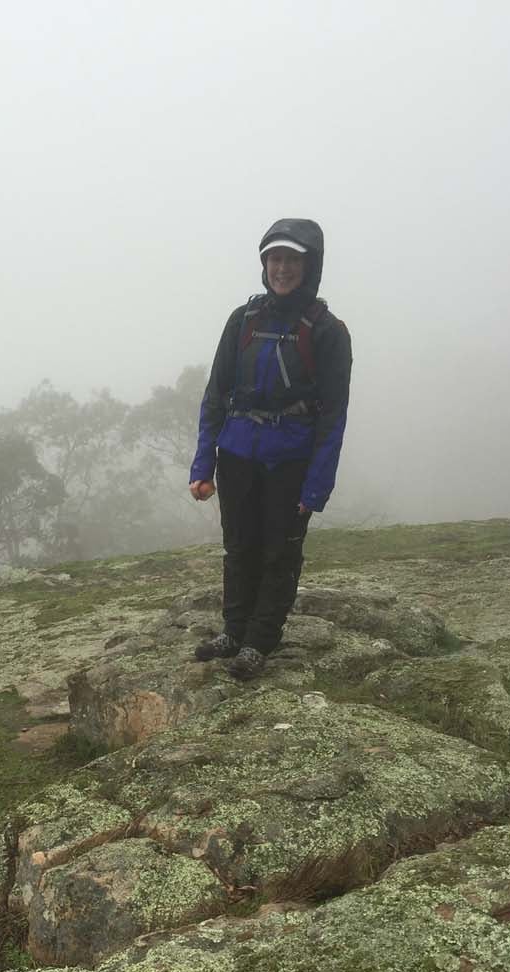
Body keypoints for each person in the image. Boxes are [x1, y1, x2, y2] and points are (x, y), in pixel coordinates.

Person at [188, 218, 352, 679]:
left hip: (291, 461)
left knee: (279, 551)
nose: (282, 268)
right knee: (239, 546)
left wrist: (317, 486)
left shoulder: (328, 331)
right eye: (275, 258)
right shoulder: (243, 320)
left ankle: (259, 641)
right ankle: (233, 631)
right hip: (237, 453)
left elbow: (333, 415)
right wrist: (204, 462)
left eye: (292, 260)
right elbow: (216, 395)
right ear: (264, 264)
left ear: (309, 265)